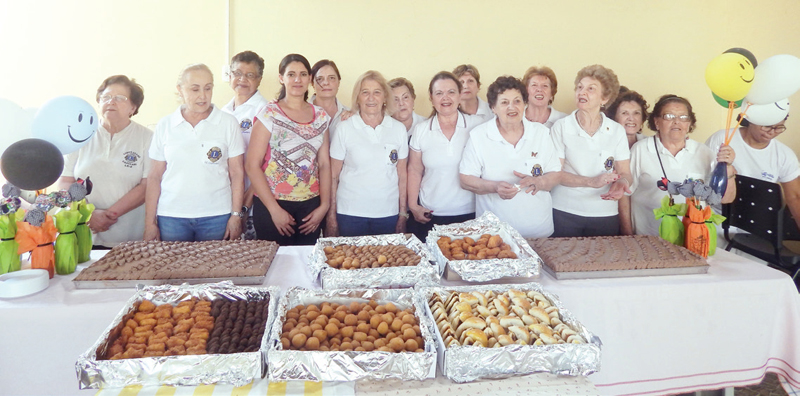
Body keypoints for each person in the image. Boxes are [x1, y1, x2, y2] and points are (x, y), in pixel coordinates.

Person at [144, 64, 245, 242]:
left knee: (216, 268)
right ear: (180, 90)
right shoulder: (165, 125)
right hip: (171, 216)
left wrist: (236, 215)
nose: (202, 95)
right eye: (195, 89)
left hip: (217, 215)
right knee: (172, 268)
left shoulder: (228, 123)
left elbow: (237, 173)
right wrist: (149, 223)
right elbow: (154, 177)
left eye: (208, 88)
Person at [459, 76, 562, 238]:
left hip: (539, 231)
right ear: (493, 107)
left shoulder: (541, 133)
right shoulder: (479, 136)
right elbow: (465, 179)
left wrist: (539, 182)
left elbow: (556, 174)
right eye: (504, 102)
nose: (512, 107)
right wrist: (494, 187)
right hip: (494, 235)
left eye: (517, 101)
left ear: (524, 104)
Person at [246, 54, 331, 245]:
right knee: (275, 267)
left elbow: (324, 164)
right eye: (291, 74)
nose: (297, 80)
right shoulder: (269, 114)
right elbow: (252, 165)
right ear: (281, 78)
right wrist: (274, 210)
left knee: (305, 267)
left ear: (310, 79)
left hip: (311, 208)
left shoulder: (321, 117)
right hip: (273, 205)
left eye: (302, 74)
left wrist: (324, 206)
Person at [624, 94, 736, 236]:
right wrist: (627, 234)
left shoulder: (705, 153)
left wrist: (728, 166)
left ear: (689, 124)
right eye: (669, 116)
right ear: (657, 122)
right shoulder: (640, 149)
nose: (677, 122)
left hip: (693, 237)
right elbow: (624, 195)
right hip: (648, 237)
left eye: (683, 117)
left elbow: (726, 199)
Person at [60, 75, 152, 248]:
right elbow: (66, 181)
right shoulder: (81, 134)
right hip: (84, 231)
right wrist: (89, 214)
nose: (111, 102)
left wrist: (107, 216)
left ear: (133, 107)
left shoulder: (147, 138)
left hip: (130, 237)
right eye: (106, 97)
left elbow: (146, 186)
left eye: (119, 98)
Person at [550, 65, 632, 237]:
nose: (582, 92)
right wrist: (591, 182)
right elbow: (555, 174)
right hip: (565, 211)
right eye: (579, 87)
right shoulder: (561, 127)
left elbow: (625, 172)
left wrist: (622, 183)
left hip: (605, 213)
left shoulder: (617, 130)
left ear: (605, 98)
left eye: (590, 89)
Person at [327, 70, 408, 237]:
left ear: (385, 97)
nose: (371, 98)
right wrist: (331, 215)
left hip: (388, 214)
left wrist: (402, 214)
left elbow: (402, 175)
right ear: (358, 97)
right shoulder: (344, 128)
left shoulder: (398, 129)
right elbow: (333, 176)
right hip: (350, 214)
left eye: (377, 92)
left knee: (387, 262)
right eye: (365, 92)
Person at [406, 72, 482, 241]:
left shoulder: (477, 126)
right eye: (439, 93)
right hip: (431, 215)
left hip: (470, 214)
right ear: (431, 98)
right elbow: (414, 170)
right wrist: (413, 206)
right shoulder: (422, 129)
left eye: (451, 92)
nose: (445, 98)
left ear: (460, 95)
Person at [705, 113, 800, 229]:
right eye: (767, 126)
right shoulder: (722, 139)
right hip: (716, 218)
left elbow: (795, 197)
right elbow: (702, 177)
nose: (772, 132)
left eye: (779, 127)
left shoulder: (784, 155)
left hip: (757, 227)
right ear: (751, 120)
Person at [222, 50, 268, 240]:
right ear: (230, 76)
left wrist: (244, 206)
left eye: (250, 75)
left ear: (259, 80)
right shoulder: (222, 112)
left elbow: (266, 165)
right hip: (227, 201)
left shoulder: (264, 110)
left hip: (252, 204)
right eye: (238, 74)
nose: (242, 79)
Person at [310, 59, 349, 137]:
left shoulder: (350, 115)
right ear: (312, 84)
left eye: (331, 78)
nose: (326, 83)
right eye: (320, 79)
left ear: (338, 82)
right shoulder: (300, 113)